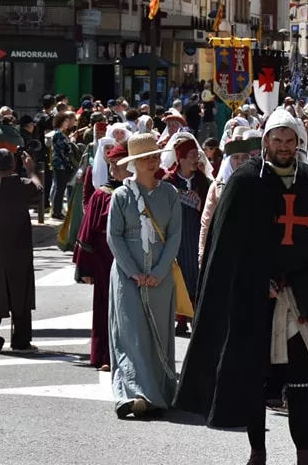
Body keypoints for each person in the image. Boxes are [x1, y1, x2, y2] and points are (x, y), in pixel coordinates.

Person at [175, 108, 308, 465]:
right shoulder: (244, 182)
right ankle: (258, 452)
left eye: (289, 140)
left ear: (298, 142)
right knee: (255, 377)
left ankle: (305, 454)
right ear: (266, 141)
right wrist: (255, 281)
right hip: (256, 297)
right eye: (277, 139)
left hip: (299, 296)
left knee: (302, 378)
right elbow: (228, 248)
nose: (284, 146)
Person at [107, 133, 182, 419]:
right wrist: (133, 272)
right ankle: (132, 393)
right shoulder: (121, 196)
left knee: (158, 334)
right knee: (131, 333)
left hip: (160, 276)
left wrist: (160, 271)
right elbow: (114, 236)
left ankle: (159, 393)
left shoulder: (169, 194)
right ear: (133, 163)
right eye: (146, 158)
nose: (153, 161)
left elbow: (174, 234)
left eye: (155, 156)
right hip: (128, 275)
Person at [0, 149, 43, 353]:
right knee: (21, 293)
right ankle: (21, 340)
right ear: (13, 166)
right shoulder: (22, 186)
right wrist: (31, 170)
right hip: (19, 248)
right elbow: (38, 191)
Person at [74, 143, 129, 371]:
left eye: (118, 165)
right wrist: (84, 268)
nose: (113, 169)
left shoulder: (140, 190)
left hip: (133, 256)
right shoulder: (101, 194)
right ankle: (105, 355)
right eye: (111, 165)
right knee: (106, 306)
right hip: (105, 259)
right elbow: (87, 232)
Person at [161, 132, 210, 336]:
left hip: (196, 234)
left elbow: (211, 207)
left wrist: (200, 201)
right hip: (175, 235)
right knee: (178, 276)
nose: (194, 159)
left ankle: (195, 317)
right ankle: (180, 317)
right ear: (179, 158)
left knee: (196, 274)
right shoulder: (167, 181)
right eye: (190, 155)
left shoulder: (204, 182)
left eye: (196, 155)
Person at [197, 136, 260, 265]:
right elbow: (206, 222)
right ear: (228, 161)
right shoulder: (217, 187)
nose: (240, 162)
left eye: (244, 157)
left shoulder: (258, 183)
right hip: (224, 249)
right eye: (235, 158)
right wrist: (202, 253)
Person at [49, 112, 76, 219]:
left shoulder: (59, 134)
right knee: (60, 188)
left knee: (59, 188)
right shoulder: (58, 134)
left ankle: (57, 210)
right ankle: (56, 211)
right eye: (66, 121)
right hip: (61, 164)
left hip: (59, 164)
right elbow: (63, 150)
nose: (67, 124)